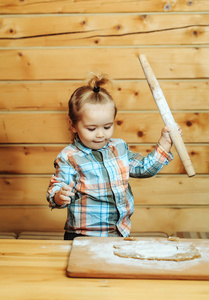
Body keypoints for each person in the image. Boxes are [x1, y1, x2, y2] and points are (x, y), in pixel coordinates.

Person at [46, 72, 177, 240]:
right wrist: (59, 196)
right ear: (73, 125)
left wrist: (165, 143)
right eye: (91, 129)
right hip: (83, 236)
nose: (100, 134)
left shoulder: (119, 148)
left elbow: (144, 169)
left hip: (119, 233)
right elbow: (55, 190)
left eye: (107, 127)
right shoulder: (69, 157)